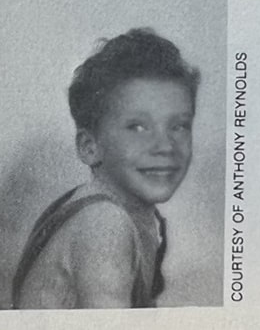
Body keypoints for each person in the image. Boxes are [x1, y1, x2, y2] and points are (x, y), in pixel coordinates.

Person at [12, 28, 200, 309]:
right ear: (90, 147)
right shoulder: (103, 222)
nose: (166, 146)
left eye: (179, 126)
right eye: (138, 127)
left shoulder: (140, 217)